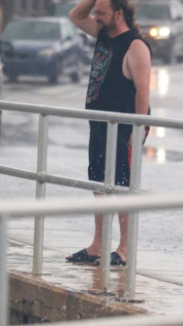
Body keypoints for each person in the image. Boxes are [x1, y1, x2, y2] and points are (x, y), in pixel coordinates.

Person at [65, 0, 151, 266]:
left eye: (101, 13)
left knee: (122, 185)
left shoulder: (135, 45)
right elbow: (76, 15)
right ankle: (98, 246)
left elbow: (143, 90)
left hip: (125, 125)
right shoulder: (104, 34)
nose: (95, 16)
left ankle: (124, 248)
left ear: (119, 13)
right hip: (100, 122)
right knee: (100, 183)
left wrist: (137, 130)